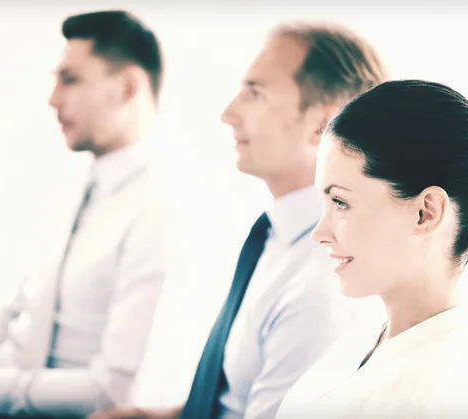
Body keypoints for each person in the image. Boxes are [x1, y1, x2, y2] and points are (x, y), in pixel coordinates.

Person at [90, 20, 389, 419]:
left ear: (323, 123)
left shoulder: (322, 288)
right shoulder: (275, 240)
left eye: (255, 92)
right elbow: (238, 398)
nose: (228, 113)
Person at [0, 9, 168, 418]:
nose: (52, 99)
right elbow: (17, 312)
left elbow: (112, 391)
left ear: (127, 88)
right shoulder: (71, 191)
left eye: (69, 80)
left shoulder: (159, 212)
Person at [276, 79, 468, 419]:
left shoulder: (438, 396)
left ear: (427, 213)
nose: (319, 233)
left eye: (341, 202)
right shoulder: (374, 335)